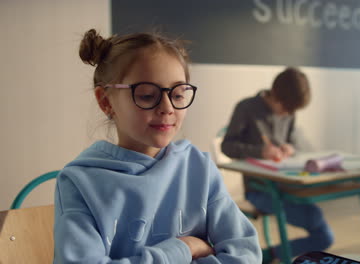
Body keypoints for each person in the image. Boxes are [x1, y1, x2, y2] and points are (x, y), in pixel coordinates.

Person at [53, 29, 262, 263]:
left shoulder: (198, 168)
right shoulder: (80, 182)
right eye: (146, 95)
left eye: (179, 94)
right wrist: (182, 249)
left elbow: (246, 254)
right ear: (106, 101)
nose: (167, 107)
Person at [221, 67, 333, 262]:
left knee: (325, 236)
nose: (286, 114)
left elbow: (297, 143)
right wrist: (260, 151)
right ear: (274, 94)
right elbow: (227, 146)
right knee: (314, 219)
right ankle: (269, 256)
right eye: (285, 108)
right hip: (260, 190)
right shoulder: (247, 108)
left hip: (288, 184)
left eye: (291, 112)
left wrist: (290, 148)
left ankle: (269, 255)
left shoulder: (289, 112)